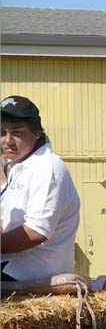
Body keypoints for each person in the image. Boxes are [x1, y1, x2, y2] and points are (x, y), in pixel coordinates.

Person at [0, 96, 80, 281]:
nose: (7, 140)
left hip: (32, 269)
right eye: (2, 132)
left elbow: (36, 232)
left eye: (17, 132)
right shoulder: (18, 165)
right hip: (12, 263)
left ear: (37, 132)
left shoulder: (47, 168)